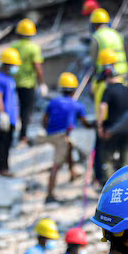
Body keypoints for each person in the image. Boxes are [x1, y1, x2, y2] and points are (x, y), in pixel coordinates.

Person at [41, 72, 90, 203]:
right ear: (74, 89)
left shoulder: (53, 102)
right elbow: (85, 122)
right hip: (62, 137)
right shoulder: (76, 105)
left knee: (69, 148)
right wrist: (94, 125)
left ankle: (72, 173)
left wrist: (48, 130)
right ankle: (49, 194)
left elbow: (44, 119)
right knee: (56, 165)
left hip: (52, 134)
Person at [93, 49, 128, 185]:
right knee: (125, 159)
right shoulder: (127, 89)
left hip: (110, 128)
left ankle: (109, 184)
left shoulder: (108, 89)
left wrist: (99, 126)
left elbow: (102, 107)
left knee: (106, 157)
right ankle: (125, 183)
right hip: (127, 130)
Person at [11, 18, 47, 145]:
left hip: (14, 82)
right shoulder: (33, 48)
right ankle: (23, 136)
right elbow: (38, 67)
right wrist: (42, 83)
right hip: (28, 83)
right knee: (27, 110)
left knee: (19, 108)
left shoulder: (13, 47)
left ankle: (20, 134)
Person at [0, 47, 21, 176]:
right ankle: (1, 168)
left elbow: (12, 99)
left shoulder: (11, 79)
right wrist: (2, 113)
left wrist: (17, 116)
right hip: (4, 116)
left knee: (9, 141)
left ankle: (6, 167)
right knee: (2, 141)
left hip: (12, 116)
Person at [89, 8, 128, 82]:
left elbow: (93, 59)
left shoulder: (96, 37)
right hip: (123, 72)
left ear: (94, 24)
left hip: (107, 75)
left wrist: (94, 73)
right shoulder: (116, 34)